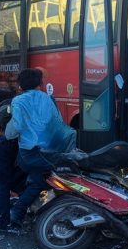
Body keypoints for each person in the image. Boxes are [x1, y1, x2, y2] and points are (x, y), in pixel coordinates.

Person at [5, 68, 76, 228]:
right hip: (50, 150)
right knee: (45, 177)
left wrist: (7, 135)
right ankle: (22, 210)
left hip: (29, 153)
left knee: (38, 179)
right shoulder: (48, 98)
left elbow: (16, 127)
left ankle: (18, 211)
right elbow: (57, 121)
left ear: (20, 85)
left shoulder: (18, 101)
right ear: (40, 84)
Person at [0, 87, 21, 229]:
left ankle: (3, 220)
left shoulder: (4, 105)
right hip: (21, 146)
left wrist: (6, 135)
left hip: (5, 145)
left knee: (2, 184)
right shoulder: (16, 103)